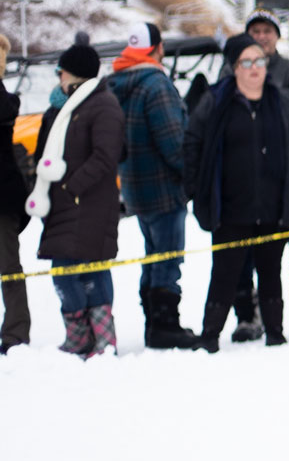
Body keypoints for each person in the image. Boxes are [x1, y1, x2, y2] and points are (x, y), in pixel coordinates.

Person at [187, 33, 289, 350]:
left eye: (259, 61)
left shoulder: (282, 103)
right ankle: (210, 334)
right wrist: (196, 190)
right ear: (234, 68)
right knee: (224, 273)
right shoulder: (215, 102)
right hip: (231, 209)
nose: (255, 68)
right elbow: (192, 146)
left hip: (274, 207)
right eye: (247, 62)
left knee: (272, 271)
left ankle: (275, 332)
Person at [30, 40, 124, 356]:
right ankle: (82, 337)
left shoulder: (103, 105)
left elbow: (106, 155)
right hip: (64, 205)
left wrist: (71, 187)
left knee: (86, 270)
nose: (58, 76)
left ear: (77, 73)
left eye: (62, 70)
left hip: (87, 202)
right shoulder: (62, 109)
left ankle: (98, 338)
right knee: (69, 271)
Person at [105, 26, 195, 348]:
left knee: (153, 254)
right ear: (158, 49)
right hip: (164, 188)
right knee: (168, 258)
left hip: (134, 187)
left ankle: (153, 322)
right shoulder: (156, 84)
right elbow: (173, 142)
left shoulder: (117, 83)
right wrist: (191, 178)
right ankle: (164, 325)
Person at [0, 46, 29, 353]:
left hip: (4, 199)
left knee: (8, 268)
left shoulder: (4, 103)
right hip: (7, 197)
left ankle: (16, 333)